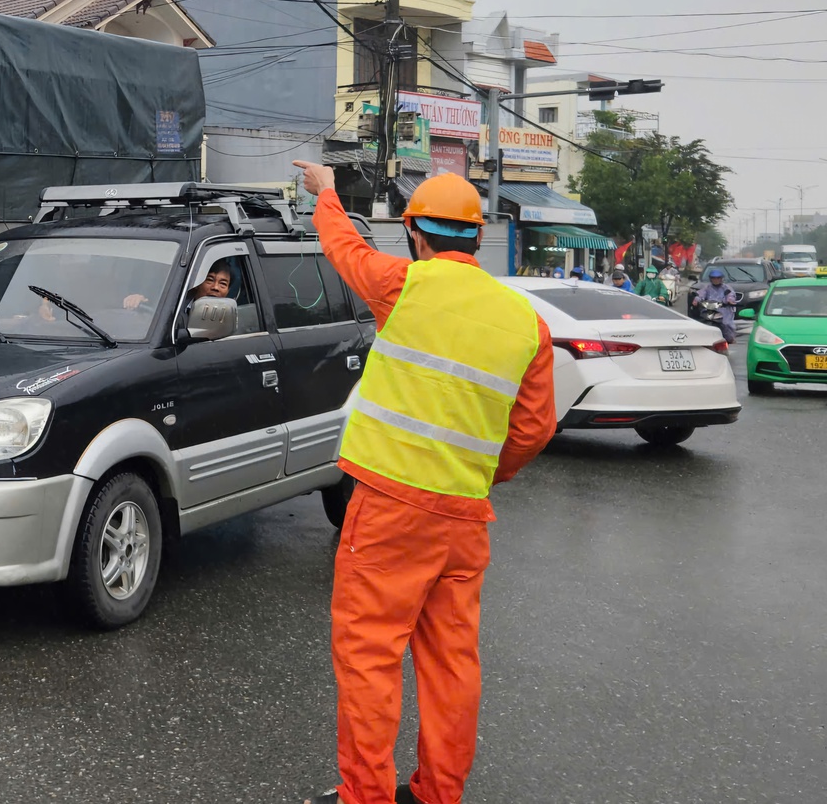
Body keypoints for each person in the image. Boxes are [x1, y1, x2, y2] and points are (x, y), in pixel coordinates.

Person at [292, 162, 555, 804]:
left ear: (414, 233)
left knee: (370, 657)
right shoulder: (527, 322)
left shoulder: (403, 285)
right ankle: (438, 792)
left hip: (387, 511)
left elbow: (344, 248)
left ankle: (367, 796)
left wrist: (326, 191)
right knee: (451, 663)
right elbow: (533, 428)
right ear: (477, 237)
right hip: (464, 519)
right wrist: (482, 472)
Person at [124, 262, 229, 311]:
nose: (215, 287)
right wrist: (137, 300)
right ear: (197, 284)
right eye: (210, 280)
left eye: (223, 284)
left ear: (228, 291)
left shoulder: (230, 317)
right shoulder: (175, 303)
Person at [693, 267, 740, 341]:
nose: (716, 280)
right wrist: (696, 300)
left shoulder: (726, 288)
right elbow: (701, 295)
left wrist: (730, 300)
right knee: (699, 322)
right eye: (713, 278)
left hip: (723, 310)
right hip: (709, 308)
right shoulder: (707, 288)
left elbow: (731, 295)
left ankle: (730, 338)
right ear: (710, 279)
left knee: (726, 324)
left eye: (718, 278)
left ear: (721, 279)